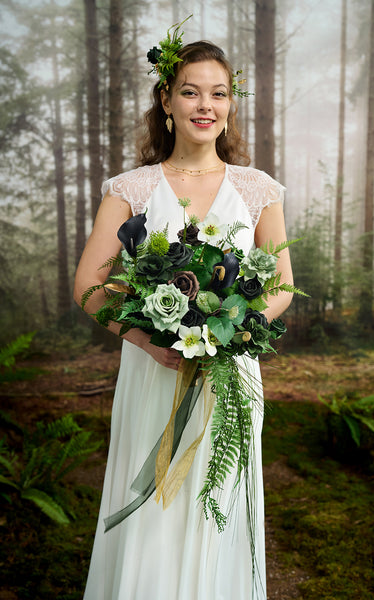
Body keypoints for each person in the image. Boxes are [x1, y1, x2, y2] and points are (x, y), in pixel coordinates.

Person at [74, 24, 293, 600]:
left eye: (218, 93)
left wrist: (235, 335)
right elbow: (89, 287)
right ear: (166, 101)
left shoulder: (257, 190)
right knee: (153, 506)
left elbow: (283, 285)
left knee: (216, 501)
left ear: (230, 105)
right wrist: (149, 342)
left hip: (231, 374)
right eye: (191, 91)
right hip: (153, 373)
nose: (206, 105)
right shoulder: (133, 188)